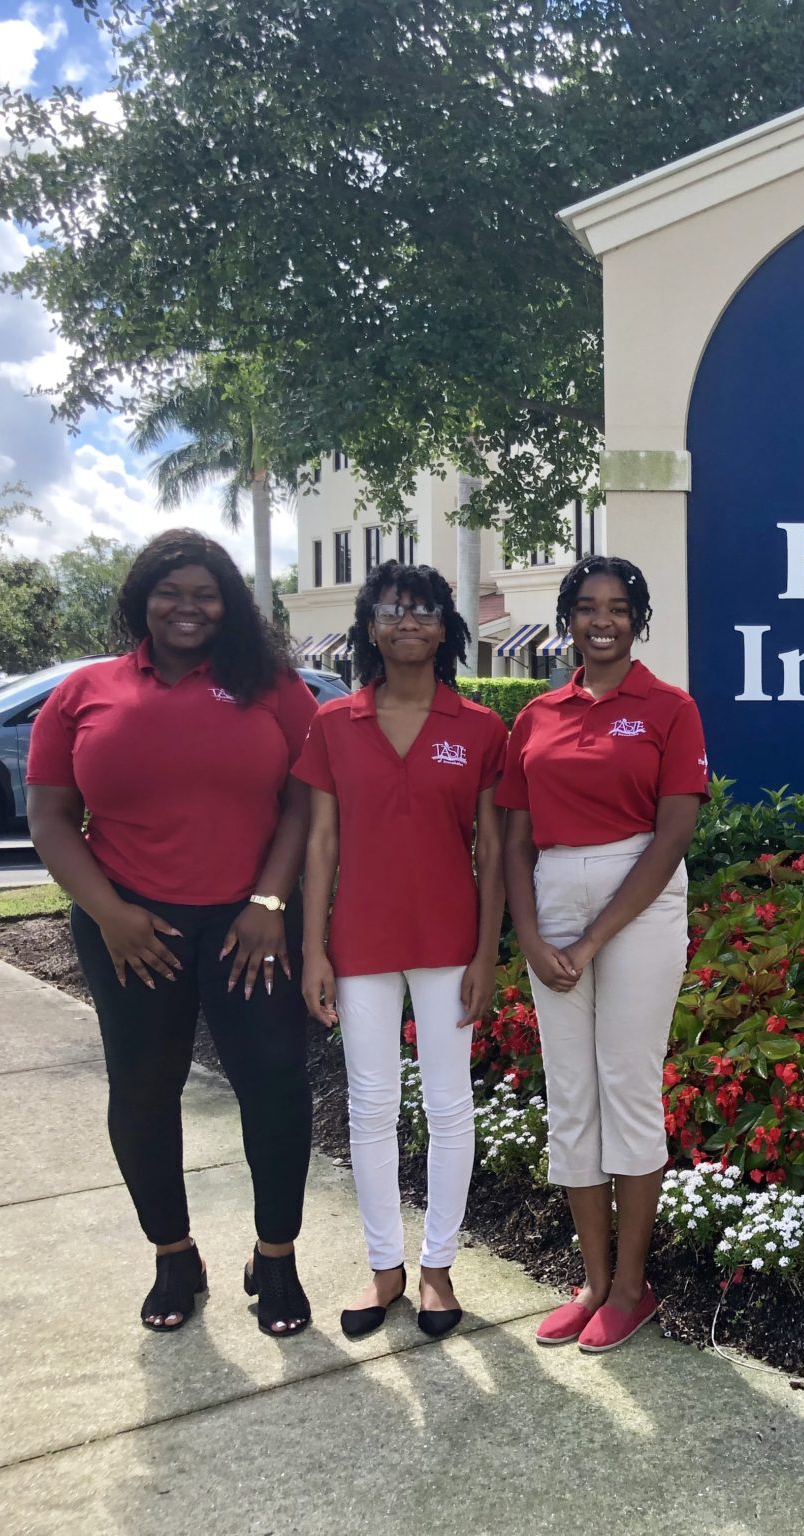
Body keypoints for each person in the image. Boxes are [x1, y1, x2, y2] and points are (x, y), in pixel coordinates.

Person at [26, 529, 318, 1336]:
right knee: (145, 1090)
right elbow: (51, 818)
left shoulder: (274, 688)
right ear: (141, 601)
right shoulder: (85, 691)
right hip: (132, 925)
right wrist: (108, 913)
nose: (187, 607)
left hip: (246, 928)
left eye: (205, 593)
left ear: (229, 606)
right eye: (170, 591)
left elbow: (304, 800)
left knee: (276, 1085)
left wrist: (270, 903)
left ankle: (277, 1256)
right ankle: (173, 1254)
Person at [499, 555, 708, 1354]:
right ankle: (590, 1282)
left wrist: (591, 939)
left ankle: (631, 1287)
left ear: (637, 619)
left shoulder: (668, 707)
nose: (603, 619)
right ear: (567, 618)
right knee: (571, 1093)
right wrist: (531, 932)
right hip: (553, 892)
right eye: (587, 606)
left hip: (640, 895)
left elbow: (675, 831)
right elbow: (515, 838)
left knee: (626, 1084)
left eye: (619, 607)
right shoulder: (538, 716)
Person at [294, 562, 506, 1340]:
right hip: (360, 941)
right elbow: (320, 844)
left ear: (446, 627)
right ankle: (384, 1265)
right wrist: (314, 947)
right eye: (390, 610)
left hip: (450, 943)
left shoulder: (480, 729)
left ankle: (438, 1268)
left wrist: (487, 955)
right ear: (370, 627)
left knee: (451, 1107)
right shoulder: (333, 725)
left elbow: (491, 847)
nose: (406, 622)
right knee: (371, 1104)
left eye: (422, 611)